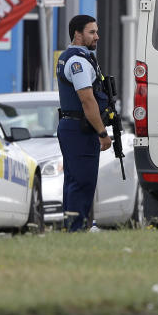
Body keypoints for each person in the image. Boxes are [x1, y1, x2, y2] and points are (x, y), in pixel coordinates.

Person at [56, 15, 113, 232]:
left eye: (97, 32)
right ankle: (76, 228)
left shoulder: (79, 57)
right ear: (77, 34)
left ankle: (73, 226)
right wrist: (102, 132)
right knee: (82, 181)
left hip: (75, 127)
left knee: (75, 181)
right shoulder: (77, 61)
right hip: (79, 129)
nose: (97, 36)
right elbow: (87, 99)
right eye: (92, 32)